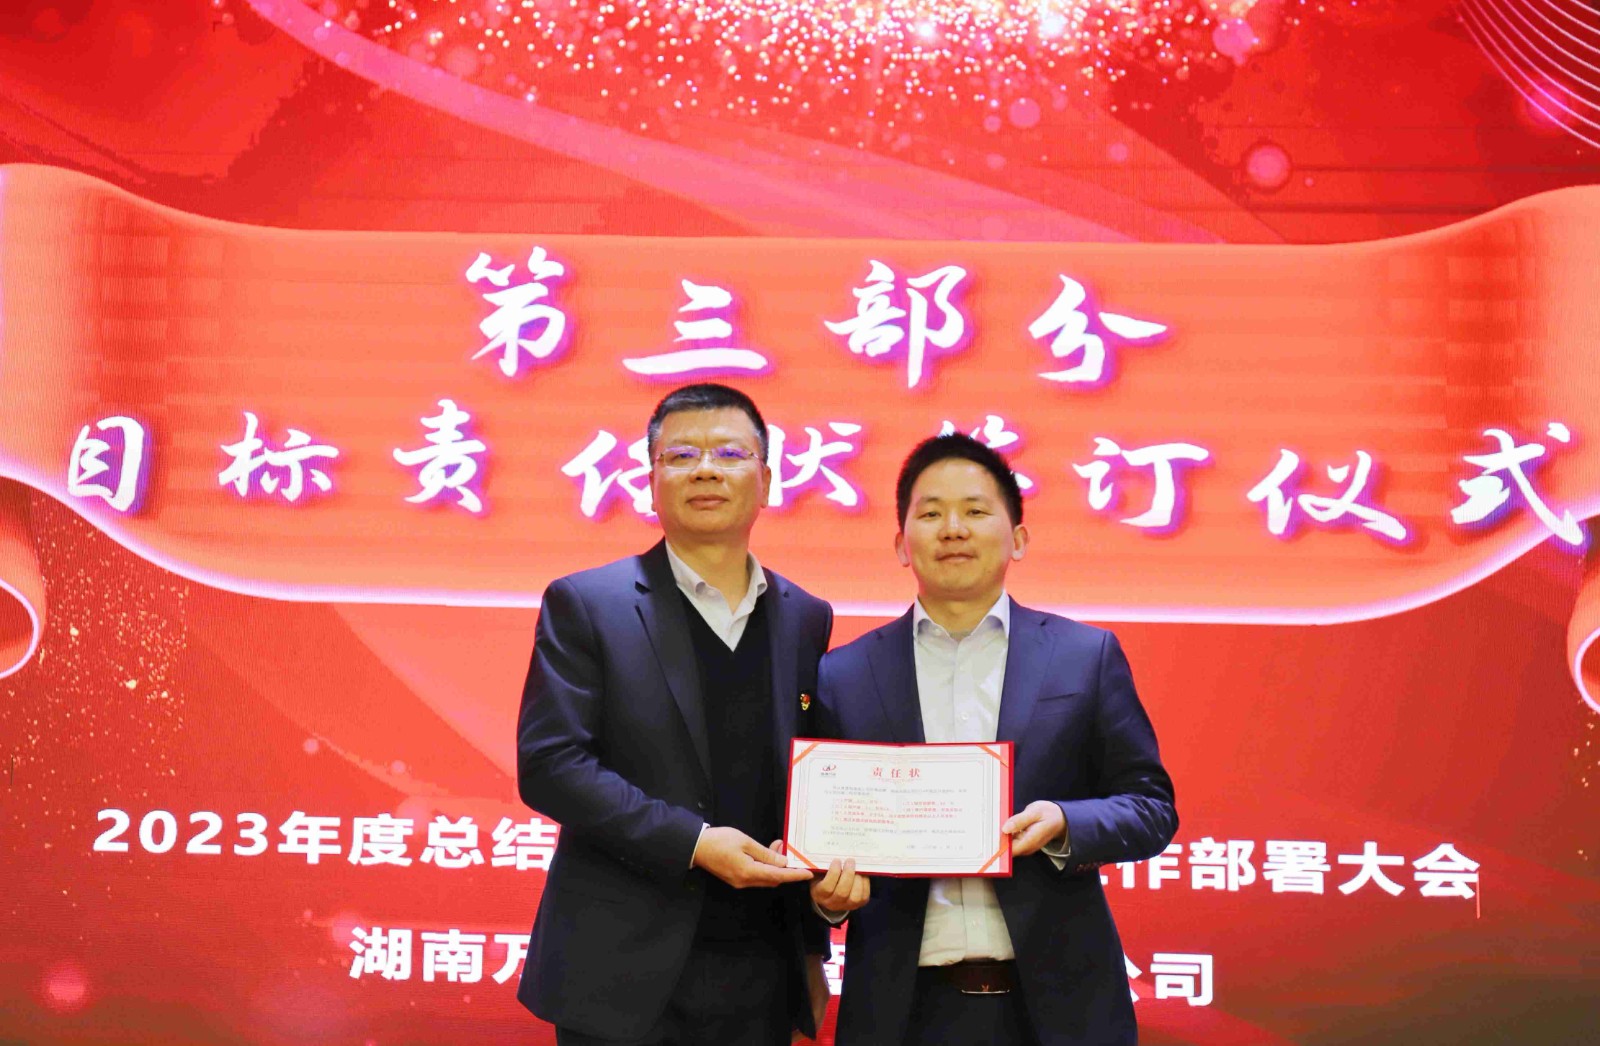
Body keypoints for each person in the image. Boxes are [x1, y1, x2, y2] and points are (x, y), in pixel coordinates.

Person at [808, 432, 1177, 1046]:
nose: (953, 529)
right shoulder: (843, 675)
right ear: (901, 544)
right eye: (931, 514)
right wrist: (827, 897)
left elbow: (1151, 807)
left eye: (976, 511)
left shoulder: (1083, 657)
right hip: (901, 1010)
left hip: (1059, 1010)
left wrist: (1065, 823)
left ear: (1018, 538)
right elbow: (817, 835)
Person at [515, 383, 834, 1045]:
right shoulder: (588, 604)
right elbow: (551, 765)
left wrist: (812, 946)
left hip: (761, 968)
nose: (706, 470)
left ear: (767, 480)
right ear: (651, 481)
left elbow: (808, 780)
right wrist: (694, 843)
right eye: (681, 455)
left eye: (731, 454)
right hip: (621, 971)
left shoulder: (806, 617)